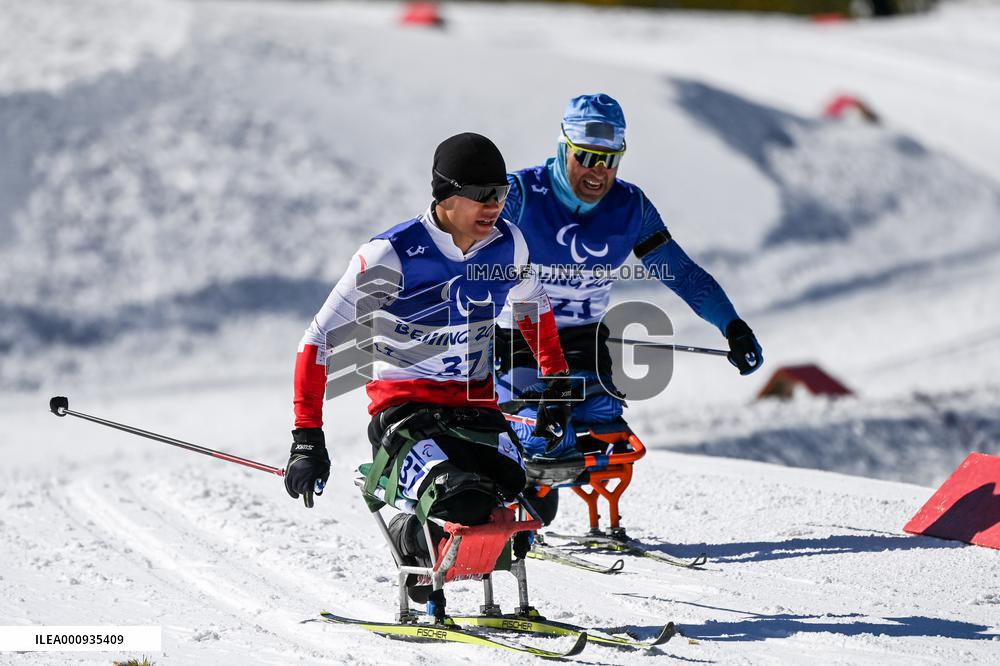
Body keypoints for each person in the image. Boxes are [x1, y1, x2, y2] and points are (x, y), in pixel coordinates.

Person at [282, 132, 573, 601]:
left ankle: (438, 538)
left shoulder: (509, 245)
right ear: (445, 195)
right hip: (406, 413)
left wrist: (557, 385)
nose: (494, 205)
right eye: (481, 193)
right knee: (463, 499)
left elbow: (533, 308)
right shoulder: (391, 255)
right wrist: (307, 438)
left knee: (524, 500)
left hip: (474, 409)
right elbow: (317, 340)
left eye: (500, 192)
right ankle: (411, 537)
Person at [496, 93, 763, 525]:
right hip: (517, 345)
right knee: (546, 439)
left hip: (581, 345)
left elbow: (684, 274)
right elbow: (463, 251)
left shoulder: (631, 208)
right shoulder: (520, 195)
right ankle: (505, 498)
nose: (598, 171)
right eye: (586, 156)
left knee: (606, 427)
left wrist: (733, 326)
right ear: (563, 147)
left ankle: (574, 503)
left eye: (610, 159)